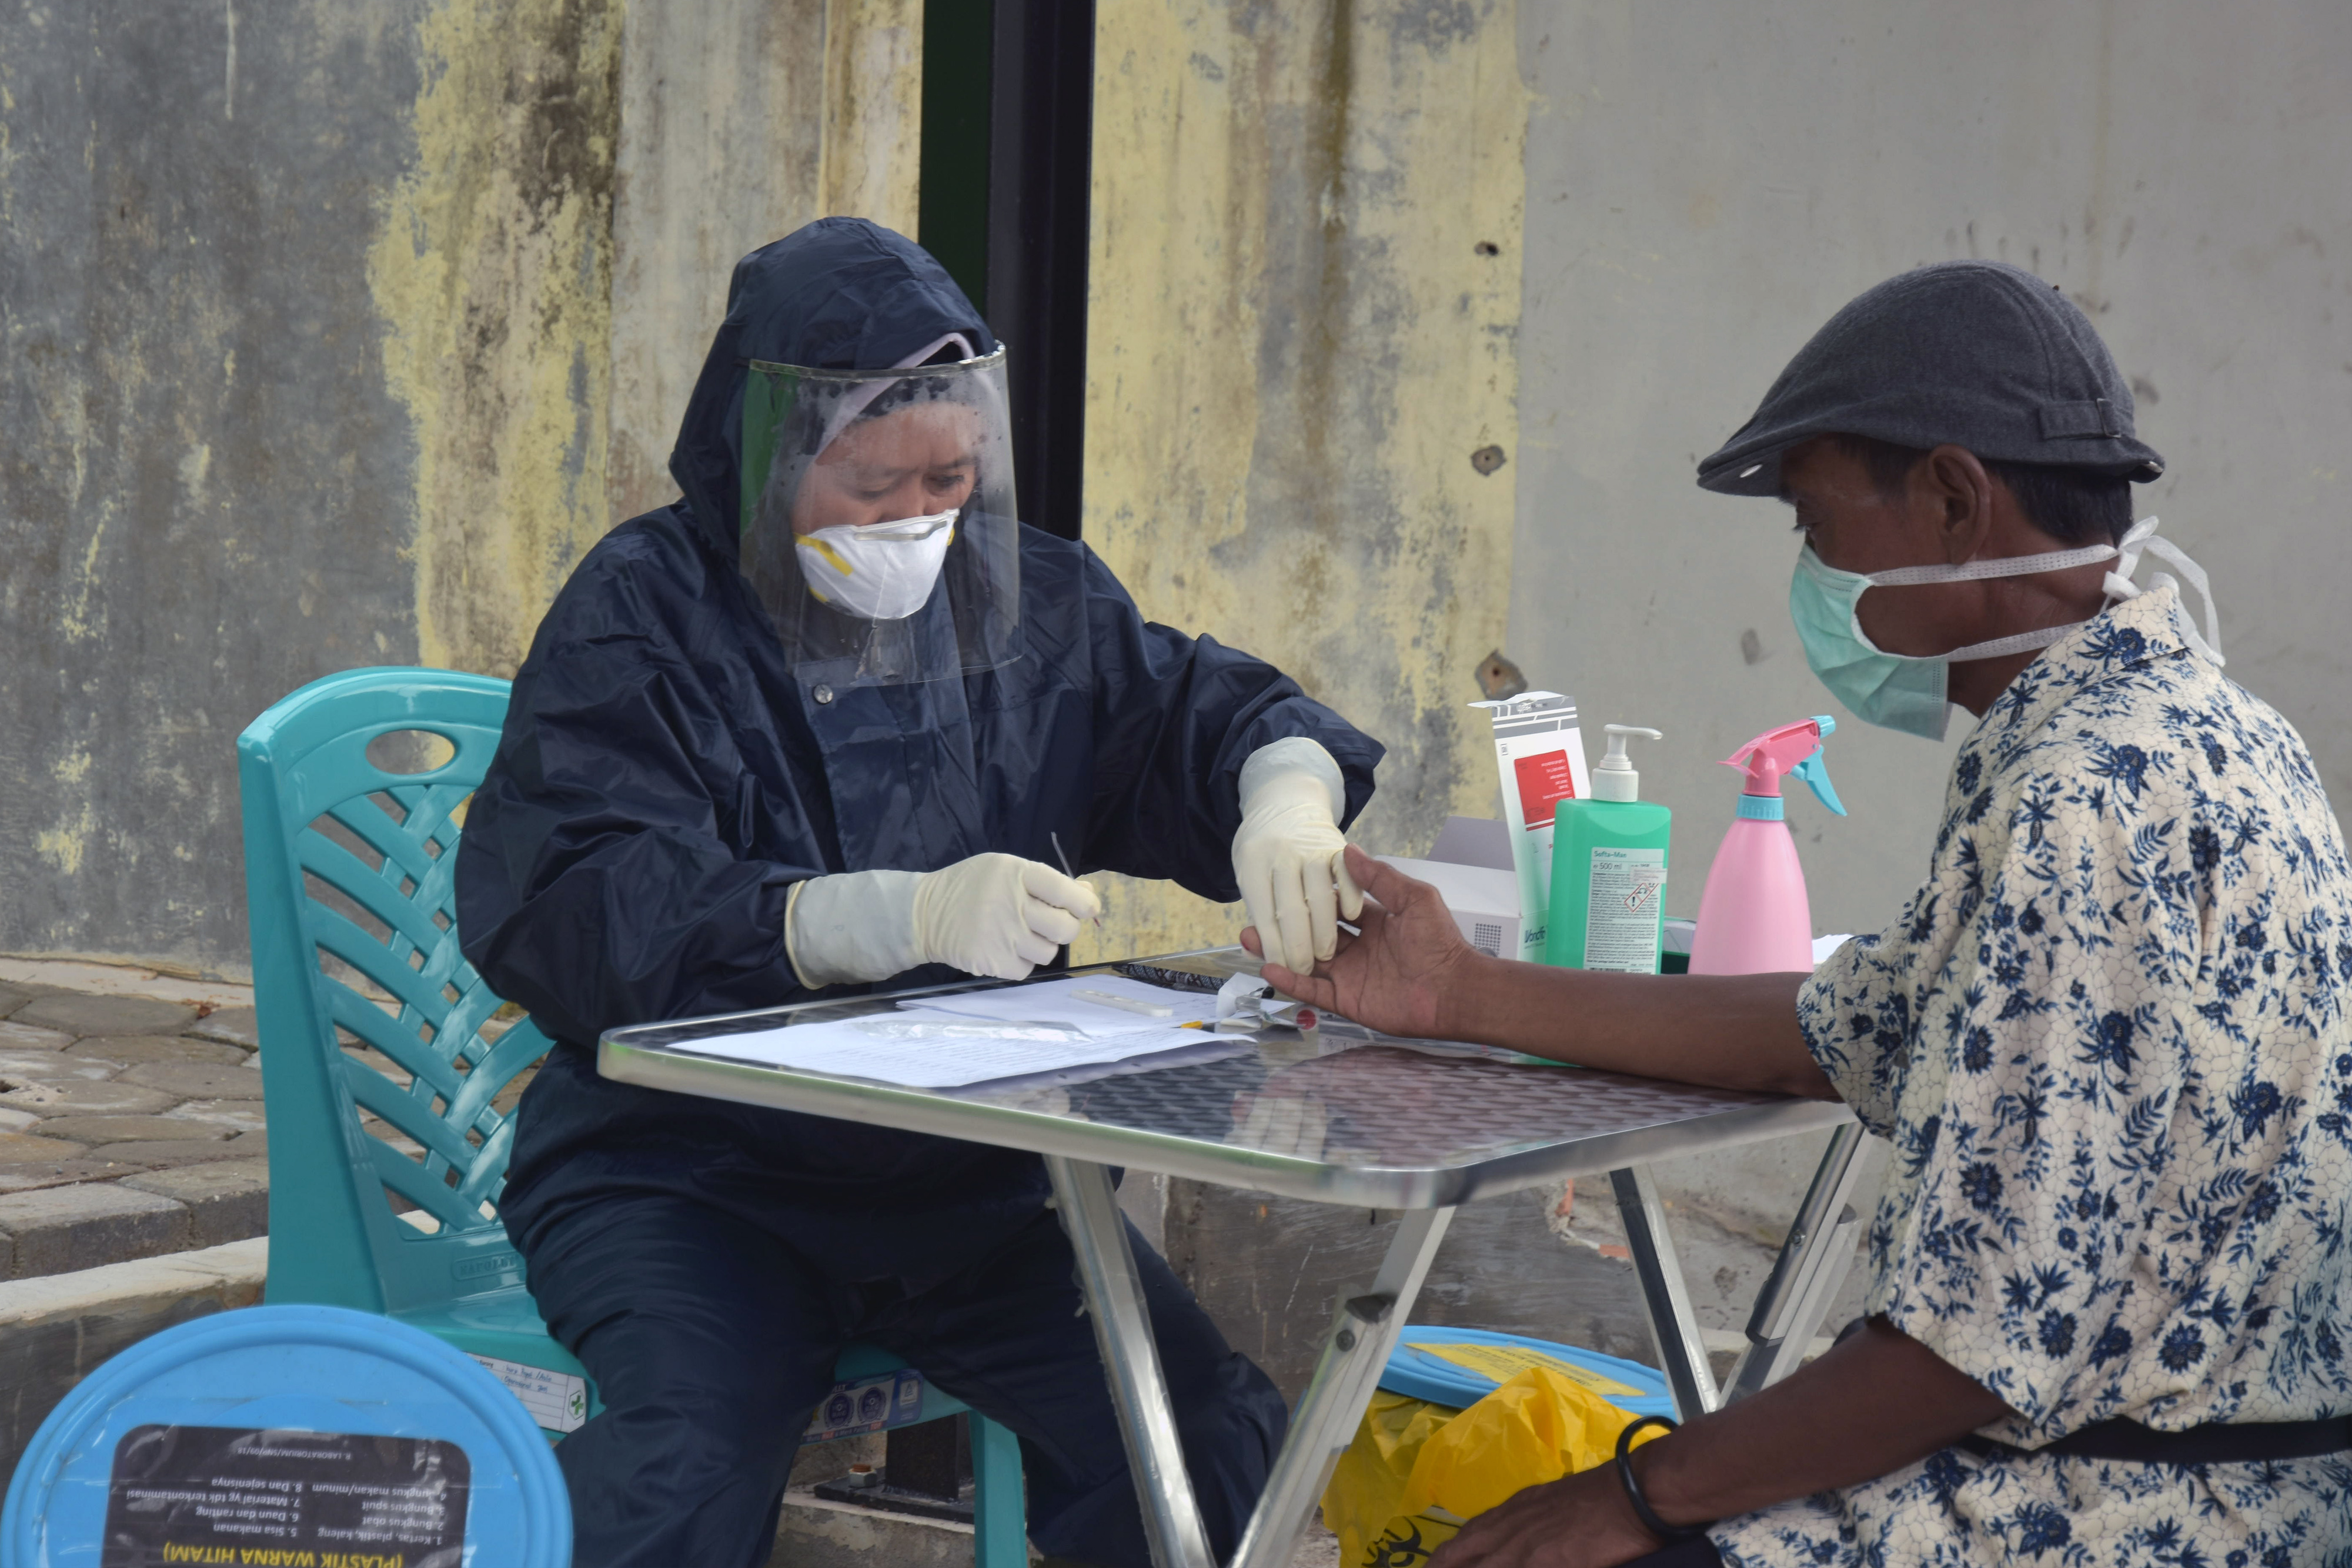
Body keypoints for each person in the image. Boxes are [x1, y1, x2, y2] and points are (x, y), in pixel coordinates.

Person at [1251, 261, 2352, 1567]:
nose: (1811, 574)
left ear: (1952, 500)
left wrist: (1630, 1495)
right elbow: (1839, 1025)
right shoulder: (2201, 725)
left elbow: (1965, 1350)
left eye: (1814, 525)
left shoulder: (2082, 800)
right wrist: (1458, 993)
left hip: (2113, 1516)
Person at [455, 218, 1384, 1568]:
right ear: (768, 462)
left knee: (1191, 1429)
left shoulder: (1024, 600)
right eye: (874, 486)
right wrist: (875, 917)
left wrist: (1284, 796)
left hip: (967, 1187)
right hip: (685, 1173)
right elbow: (574, 899)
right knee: (682, 1463)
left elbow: (1198, 708)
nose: (916, 523)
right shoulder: (642, 614)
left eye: (948, 480)